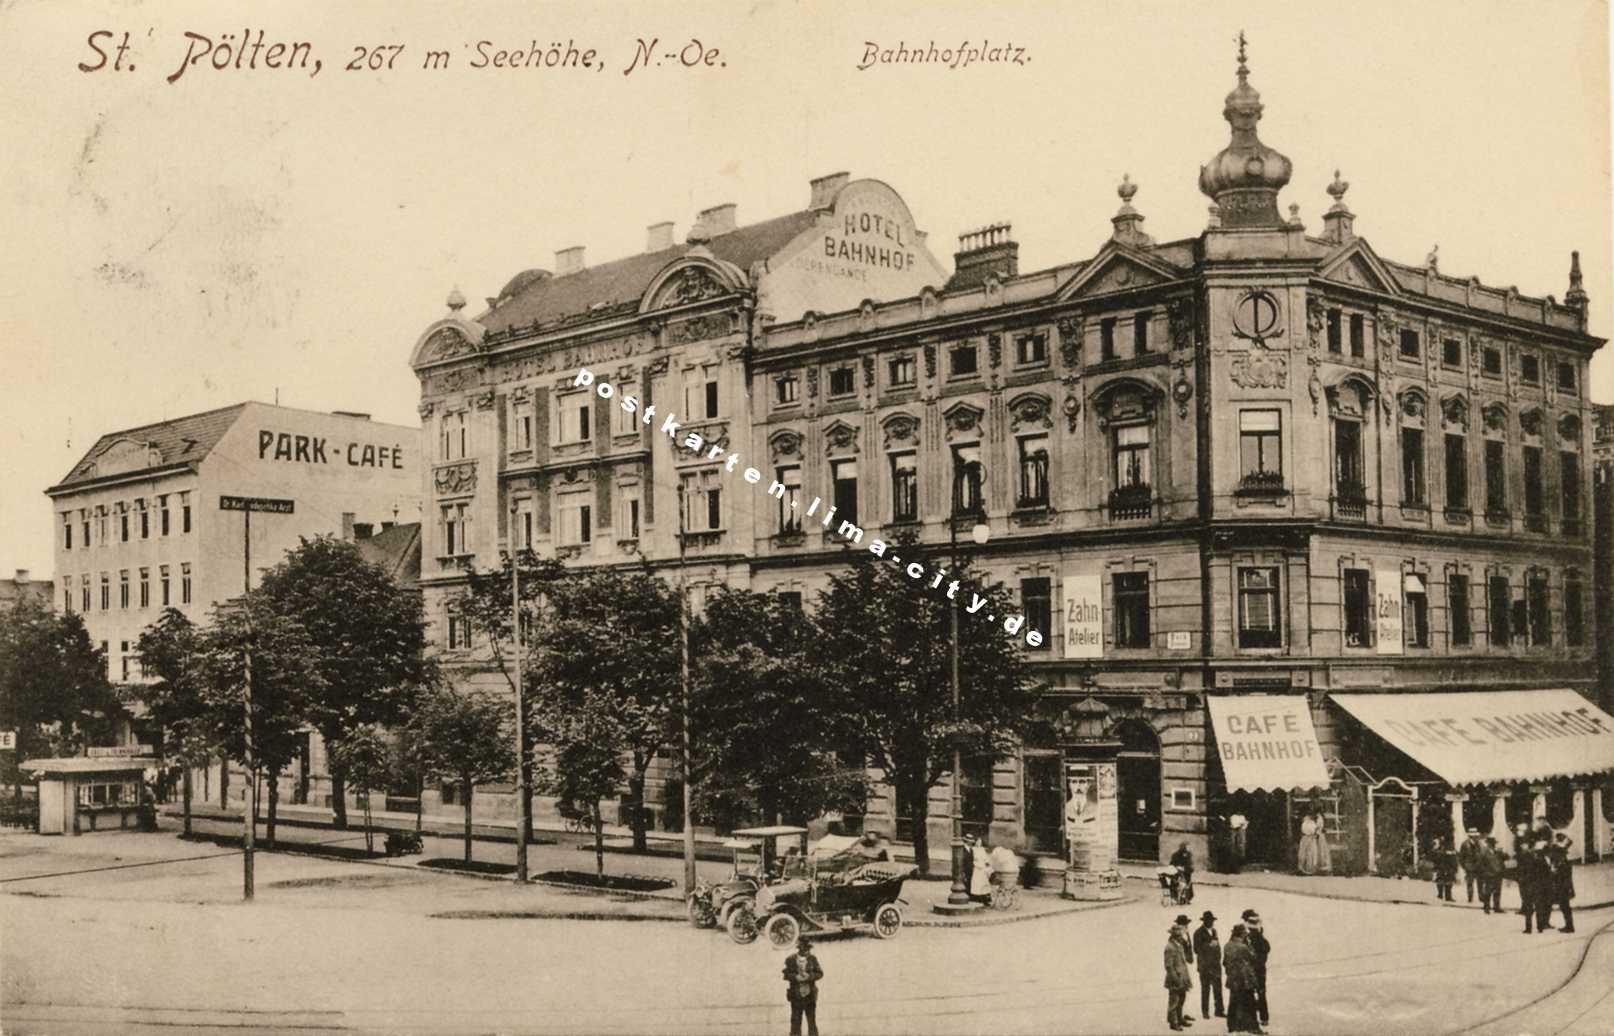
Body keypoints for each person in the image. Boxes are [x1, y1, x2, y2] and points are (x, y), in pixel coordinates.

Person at [1223, 924, 1261, 1034]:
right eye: (1245, 933)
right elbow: (1253, 958)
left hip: (1232, 979)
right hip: (1244, 979)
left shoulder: (1227, 945)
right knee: (1250, 1003)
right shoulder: (1243, 947)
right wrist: (1250, 945)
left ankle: (1232, 1026)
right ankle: (1253, 1027)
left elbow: (1224, 962)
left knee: (1233, 1002)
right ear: (1242, 934)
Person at [782, 937, 823, 1036]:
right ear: (799, 948)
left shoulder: (813, 959)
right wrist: (796, 977)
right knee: (795, 1020)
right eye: (804, 949)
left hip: (810, 995)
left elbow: (820, 973)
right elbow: (786, 975)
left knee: (811, 1021)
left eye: (807, 949)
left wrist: (810, 976)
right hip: (796, 996)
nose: (806, 951)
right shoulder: (790, 960)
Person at [1240, 909, 1270, 1028]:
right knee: (1261, 993)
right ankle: (1264, 1017)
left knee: (1250, 993)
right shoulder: (1261, 938)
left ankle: (1252, 1018)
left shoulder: (1249, 937)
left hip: (1252, 970)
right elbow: (1267, 949)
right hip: (1261, 970)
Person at [1194, 911, 1225, 1020]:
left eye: (1212, 921)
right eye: (1210, 921)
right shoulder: (1198, 932)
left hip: (1215, 966)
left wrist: (1218, 958)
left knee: (1218, 989)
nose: (1212, 923)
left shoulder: (1214, 931)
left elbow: (1217, 947)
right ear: (1205, 921)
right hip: (1205, 967)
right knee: (1205, 990)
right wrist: (1209, 945)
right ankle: (1205, 1012)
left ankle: (1219, 1010)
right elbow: (1196, 949)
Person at [1164, 921, 1194, 1030]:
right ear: (1174, 936)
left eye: (1181, 935)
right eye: (1179, 936)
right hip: (1175, 979)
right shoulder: (1169, 948)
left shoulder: (1179, 946)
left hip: (1182, 978)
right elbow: (1169, 966)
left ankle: (1180, 1019)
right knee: (1174, 1001)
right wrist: (1176, 979)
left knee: (1181, 999)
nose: (1181, 937)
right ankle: (1173, 1022)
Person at [1546, 832, 1576, 934]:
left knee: (1565, 906)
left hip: (1562, 888)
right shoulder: (1564, 860)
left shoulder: (1560, 862)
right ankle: (1569, 925)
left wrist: (1553, 871)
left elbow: (1559, 876)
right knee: (1564, 906)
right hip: (1565, 887)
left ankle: (1569, 926)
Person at [1476, 836, 1504, 915]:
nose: (1494, 845)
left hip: (1498, 874)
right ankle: (1486, 907)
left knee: (1497, 891)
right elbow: (1480, 864)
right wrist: (1485, 873)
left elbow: (1505, 858)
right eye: (1492, 843)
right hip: (1489, 874)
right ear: (1489, 843)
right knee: (1488, 892)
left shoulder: (1497, 851)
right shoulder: (1484, 852)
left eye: (1494, 843)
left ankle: (1496, 907)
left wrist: (1501, 852)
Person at [1457, 828, 1486, 903]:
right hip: (1469, 866)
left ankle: (1481, 897)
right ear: (1470, 836)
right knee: (1470, 883)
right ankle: (1470, 897)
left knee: (1480, 882)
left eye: (1476, 836)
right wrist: (1464, 866)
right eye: (1474, 836)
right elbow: (1461, 856)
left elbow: (1482, 854)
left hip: (1479, 866)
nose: (1476, 837)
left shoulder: (1479, 844)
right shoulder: (1465, 844)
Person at [967, 835, 993, 905]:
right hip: (977, 868)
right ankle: (977, 898)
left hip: (983, 868)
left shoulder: (982, 849)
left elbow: (986, 858)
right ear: (975, 842)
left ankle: (985, 898)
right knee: (977, 883)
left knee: (984, 883)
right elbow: (972, 859)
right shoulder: (973, 849)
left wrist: (987, 863)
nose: (979, 843)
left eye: (980, 842)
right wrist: (976, 864)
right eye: (978, 842)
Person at [1431, 837, 1458, 902]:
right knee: (1440, 880)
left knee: (1449, 882)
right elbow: (1435, 856)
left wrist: (1455, 867)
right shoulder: (1439, 849)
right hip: (1441, 867)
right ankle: (1440, 895)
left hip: (1449, 867)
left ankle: (1448, 896)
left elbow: (1455, 857)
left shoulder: (1451, 848)